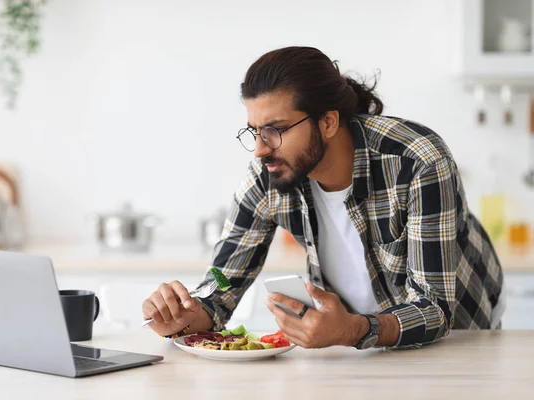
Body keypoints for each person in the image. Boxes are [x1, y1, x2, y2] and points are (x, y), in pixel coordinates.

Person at [141, 46, 505, 349]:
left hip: (460, 337)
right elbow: (221, 287)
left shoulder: (416, 160)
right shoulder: (268, 176)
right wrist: (185, 315)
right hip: (355, 346)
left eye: (275, 130)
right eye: (254, 131)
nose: (258, 150)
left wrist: (352, 330)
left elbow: (435, 309)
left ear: (328, 123)